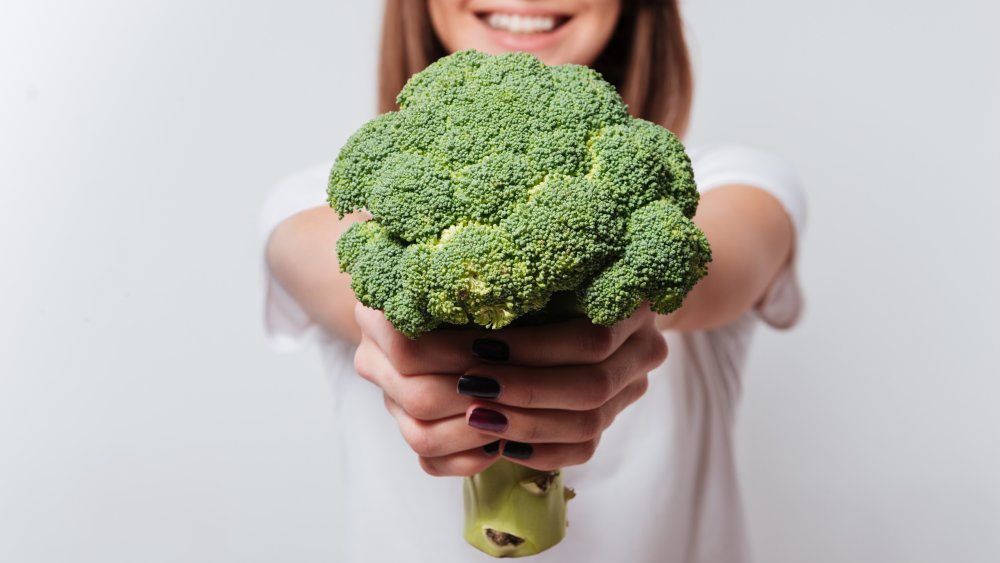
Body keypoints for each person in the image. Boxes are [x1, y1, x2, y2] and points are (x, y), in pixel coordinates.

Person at [261, 1, 805, 561]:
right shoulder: (315, 196)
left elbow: (722, 256)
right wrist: (395, 317)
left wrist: (621, 290)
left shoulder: (732, 181)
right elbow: (321, 259)